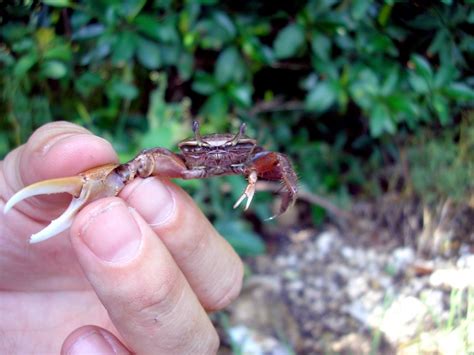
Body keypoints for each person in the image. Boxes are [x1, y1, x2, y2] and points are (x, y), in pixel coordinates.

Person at [0, 122, 243, 354]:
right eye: (197, 148)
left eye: (235, 148)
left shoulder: (257, 160)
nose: (217, 157)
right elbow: (136, 165)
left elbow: (279, 164)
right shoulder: (162, 159)